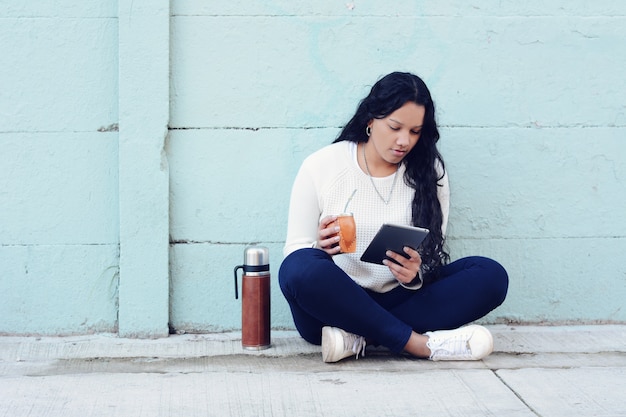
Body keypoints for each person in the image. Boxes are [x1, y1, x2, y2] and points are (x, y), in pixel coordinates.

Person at [279, 72, 508, 363]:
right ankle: (419, 345)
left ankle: (359, 338)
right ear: (371, 120)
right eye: (395, 127)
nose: (404, 141)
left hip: (398, 297)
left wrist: (414, 275)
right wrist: (318, 250)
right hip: (334, 305)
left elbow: (429, 251)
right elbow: (295, 252)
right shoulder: (322, 165)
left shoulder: (429, 171)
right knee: (298, 267)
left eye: (414, 132)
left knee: (490, 275)